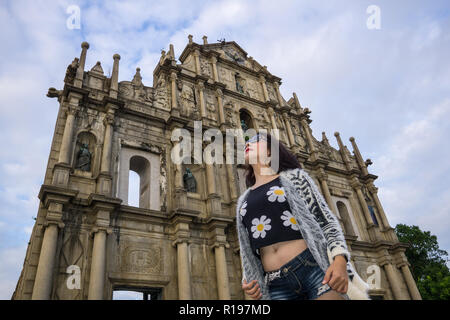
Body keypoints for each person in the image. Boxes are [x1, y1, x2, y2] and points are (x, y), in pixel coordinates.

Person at [237, 132, 352, 300]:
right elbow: (247, 248)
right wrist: (248, 277)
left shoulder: (295, 178)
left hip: (312, 268)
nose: (249, 142)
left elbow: (326, 221)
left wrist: (340, 259)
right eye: (248, 141)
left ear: (270, 151)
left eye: (257, 140)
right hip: (275, 283)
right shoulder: (244, 200)